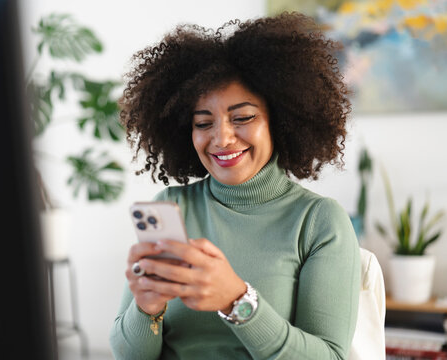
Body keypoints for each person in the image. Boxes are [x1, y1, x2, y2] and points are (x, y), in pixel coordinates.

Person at [110, 12, 360, 359]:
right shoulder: (172, 208)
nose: (222, 138)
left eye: (242, 118)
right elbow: (129, 355)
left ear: (280, 120)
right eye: (203, 122)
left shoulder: (318, 221)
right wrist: (147, 308)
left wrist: (237, 301)